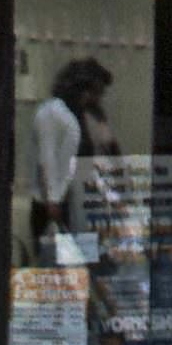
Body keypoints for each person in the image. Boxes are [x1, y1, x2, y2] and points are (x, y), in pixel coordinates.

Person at [29, 57, 116, 259]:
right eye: (95, 92)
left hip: (80, 198)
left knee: (80, 259)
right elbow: (47, 156)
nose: (97, 98)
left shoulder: (85, 116)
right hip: (57, 201)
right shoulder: (53, 113)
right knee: (57, 261)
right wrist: (53, 200)